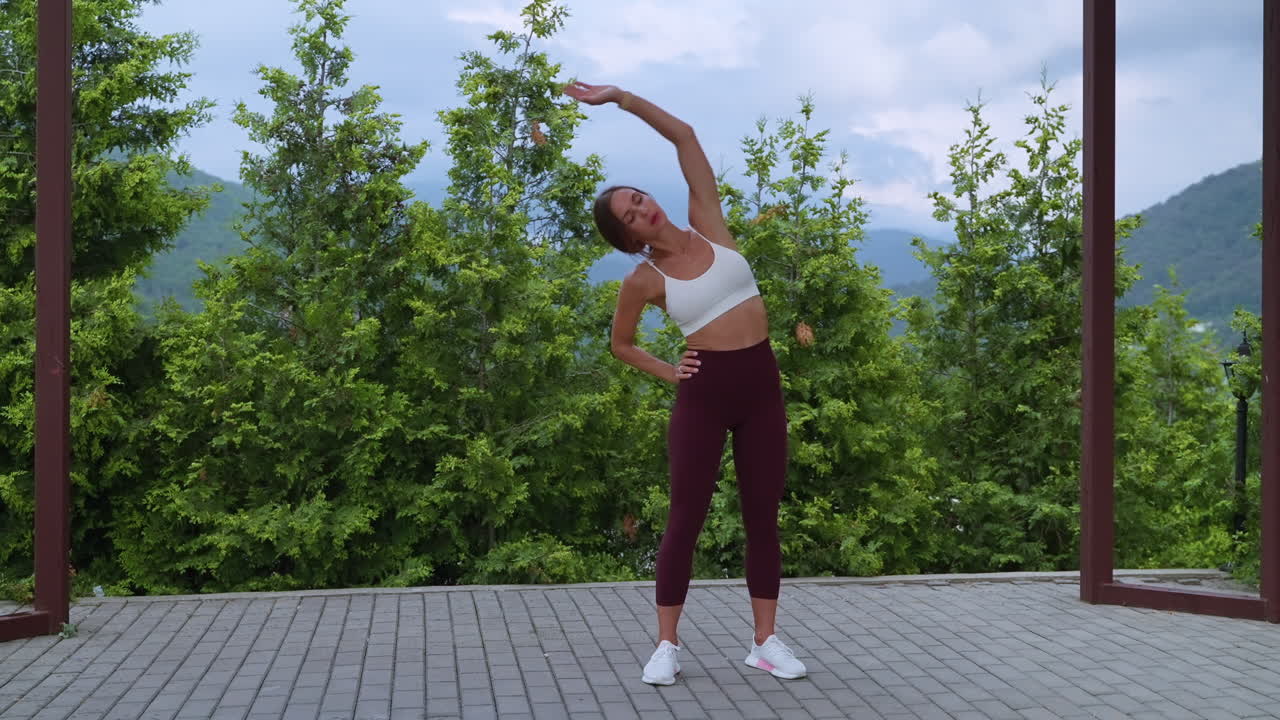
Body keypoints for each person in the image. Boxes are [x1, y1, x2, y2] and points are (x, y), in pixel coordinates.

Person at [562, 81, 806, 686]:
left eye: (639, 197)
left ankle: (765, 641)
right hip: (705, 393)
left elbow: (685, 137)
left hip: (761, 384)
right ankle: (666, 644)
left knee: (762, 517)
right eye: (629, 214)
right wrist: (672, 371)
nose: (643, 207)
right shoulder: (643, 279)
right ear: (629, 237)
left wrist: (621, 98)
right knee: (685, 518)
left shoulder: (708, 223)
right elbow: (620, 345)